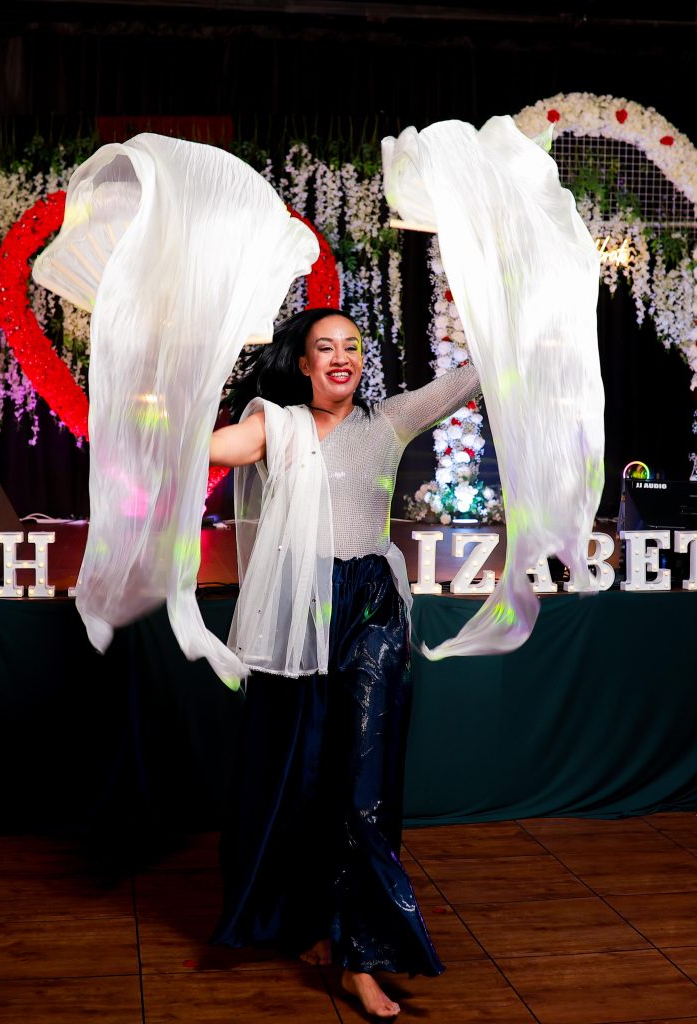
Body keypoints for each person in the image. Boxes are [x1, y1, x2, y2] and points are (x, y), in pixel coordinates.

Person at [207, 306, 481, 1018]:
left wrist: (510, 311)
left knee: (362, 779)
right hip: (301, 607)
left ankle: (364, 953)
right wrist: (153, 407)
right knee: (302, 772)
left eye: (351, 346)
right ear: (302, 364)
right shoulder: (277, 425)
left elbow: (476, 376)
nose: (340, 357)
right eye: (324, 347)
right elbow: (215, 448)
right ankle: (314, 922)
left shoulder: (388, 421)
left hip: (370, 605)